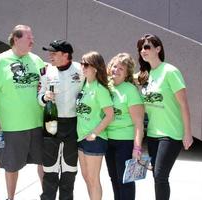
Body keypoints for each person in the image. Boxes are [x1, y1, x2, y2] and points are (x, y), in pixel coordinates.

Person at [0, 25, 45, 200]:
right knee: (11, 167)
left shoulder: (36, 60)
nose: (33, 40)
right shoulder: (0, 62)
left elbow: (46, 83)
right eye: (28, 37)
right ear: (16, 39)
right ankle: (10, 197)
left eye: (32, 37)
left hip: (38, 124)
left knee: (44, 163)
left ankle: (47, 196)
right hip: (11, 127)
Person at [137, 34, 193, 200]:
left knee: (161, 176)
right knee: (156, 176)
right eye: (141, 48)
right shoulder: (145, 75)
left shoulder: (170, 71)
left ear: (158, 49)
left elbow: (184, 104)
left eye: (147, 47)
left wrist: (187, 133)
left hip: (171, 133)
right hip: (153, 134)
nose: (143, 51)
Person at [39, 40, 84, 200]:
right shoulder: (46, 71)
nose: (50, 56)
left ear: (66, 55)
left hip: (73, 124)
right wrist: (44, 97)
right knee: (49, 168)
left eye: (54, 53)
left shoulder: (81, 69)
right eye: (49, 53)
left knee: (69, 169)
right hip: (51, 122)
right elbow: (39, 96)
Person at [105, 53, 144, 200]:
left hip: (125, 143)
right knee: (114, 179)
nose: (116, 70)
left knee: (125, 181)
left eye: (121, 68)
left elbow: (139, 123)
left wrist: (137, 148)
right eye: (115, 66)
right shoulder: (107, 87)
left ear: (127, 73)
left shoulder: (130, 90)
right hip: (108, 141)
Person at [76, 51, 114, 200]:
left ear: (95, 68)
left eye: (86, 64)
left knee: (93, 178)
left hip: (95, 139)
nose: (82, 67)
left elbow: (110, 115)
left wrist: (94, 133)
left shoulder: (100, 89)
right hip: (81, 138)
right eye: (82, 63)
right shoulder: (85, 85)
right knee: (86, 177)